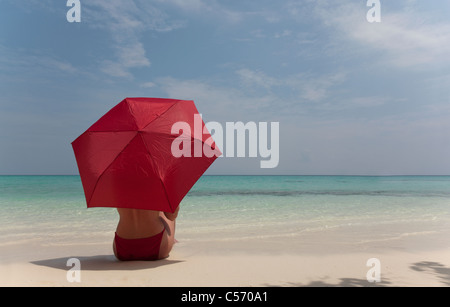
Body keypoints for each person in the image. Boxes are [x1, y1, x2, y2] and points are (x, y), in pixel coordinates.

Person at [113, 206, 179, 261]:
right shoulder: (159, 189)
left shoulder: (117, 189)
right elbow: (171, 216)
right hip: (156, 247)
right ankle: (170, 240)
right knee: (162, 212)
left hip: (122, 248)